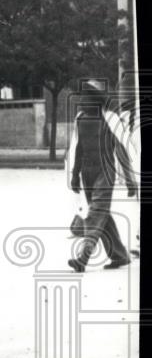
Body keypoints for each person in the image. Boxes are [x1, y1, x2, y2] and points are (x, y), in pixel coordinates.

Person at [67, 79, 136, 273]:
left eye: (85, 97)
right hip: (87, 173)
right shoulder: (80, 119)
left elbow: (121, 152)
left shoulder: (109, 120)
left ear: (96, 101)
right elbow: (79, 148)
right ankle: (120, 255)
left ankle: (83, 258)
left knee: (95, 214)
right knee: (102, 215)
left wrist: (130, 180)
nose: (81, 101)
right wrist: (74, 175)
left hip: (105, 172)